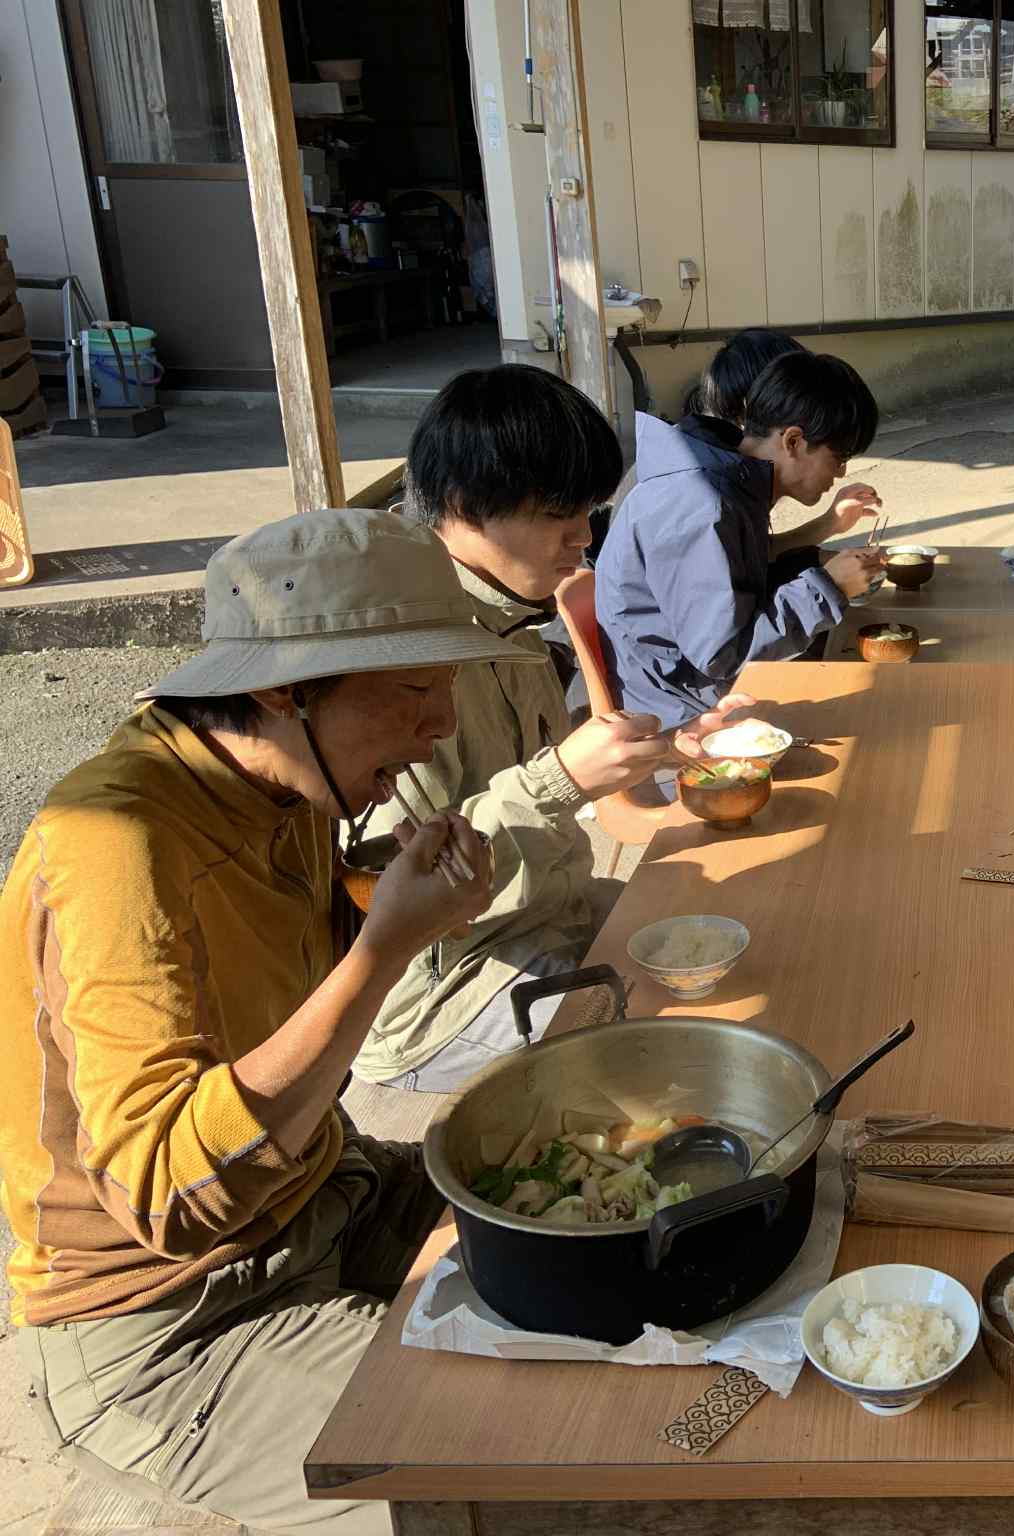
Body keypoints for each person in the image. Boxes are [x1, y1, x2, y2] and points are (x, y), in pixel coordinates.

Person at [2, 509, 513, 1533]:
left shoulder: (282, 786)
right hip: (170, 1317)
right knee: (471, 1469)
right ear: (284, 688)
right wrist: (383, 950)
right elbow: (169, 1195)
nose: (442, 726)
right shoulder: (116, 843)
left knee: (569, 1201)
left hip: (324, 1194)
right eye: (415, 690)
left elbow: (287, 957)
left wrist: (390, 895)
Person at [349, 366, 723, 1092]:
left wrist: (667, 742)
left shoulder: (511, 615)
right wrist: (562, 778)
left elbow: (543, 759)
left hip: (552, 913)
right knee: (678, 1054)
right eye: (559, 514)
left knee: (721, 934)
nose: (584, 538)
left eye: (588, 510)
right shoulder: (394, 659)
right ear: (465, 505)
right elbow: (402, 885)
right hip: (447, 994)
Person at [596, 349, 887, 725]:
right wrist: (827, 587)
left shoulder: (727, 472)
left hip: (690, 678)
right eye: (839, 457)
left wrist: (821, 555)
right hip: (676, 708)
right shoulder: (702, 502)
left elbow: (740, 566)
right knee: (875, 708)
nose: (842, 472)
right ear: (793, 441)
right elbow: (721, 653)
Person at [684, 328, 884, 558]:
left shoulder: (726, 465)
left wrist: (830, 526)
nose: (842, 472)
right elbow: (737, 569)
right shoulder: (714, 501)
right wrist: (825, 577)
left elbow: (753, 554)